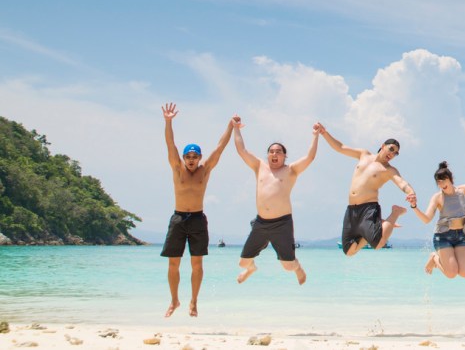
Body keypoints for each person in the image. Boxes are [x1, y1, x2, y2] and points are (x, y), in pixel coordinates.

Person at [160, 103, 234, 318]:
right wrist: (168, 121)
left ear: (200, 158)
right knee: (173, 263)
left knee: (197, 264)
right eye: (188, 157)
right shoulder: (177, 168)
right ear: (184, 158)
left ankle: (193, 301)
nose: (191, 160)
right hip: (178, 218)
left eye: (195, 156)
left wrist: (230, 126)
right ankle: (174, 300)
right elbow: (170, 144)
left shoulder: (205, 170)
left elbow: (220, 147)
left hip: (198, 219)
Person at [231, 116, 318, 285]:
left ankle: (298, 267)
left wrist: (315, 135)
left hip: (282, 224)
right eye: (271, 151)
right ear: (268, 155)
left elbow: (310, 157)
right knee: (243, 262)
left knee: (288, 266)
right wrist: (236, 128)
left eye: (278, 151)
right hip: (261, 222)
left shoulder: (291, 170)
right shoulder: (259, 166)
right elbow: (242, 150)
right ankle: (251, 269)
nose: (274, 154)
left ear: (285, 156)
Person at [314, 123, 416, 255]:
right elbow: (341, 147)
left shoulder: (388, 170)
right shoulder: (364, 154)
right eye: (391, 149)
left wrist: (411, 193)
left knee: (379, 243)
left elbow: (402, 183)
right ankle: (377, 226)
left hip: (368, 209)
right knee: (349, 251)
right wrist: (324, 133)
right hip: (351, 210)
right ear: (383, 146)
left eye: (395, 153)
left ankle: (395, 212)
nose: (392, 154)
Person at [412, 156, 465, 278]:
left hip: (460, 236)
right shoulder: (437, 197)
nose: (441, 184)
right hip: (443, 236)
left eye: (444, 180)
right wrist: (414, 206)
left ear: (450, 179)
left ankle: (437, 258)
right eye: (438, 182)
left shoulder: (462, 191)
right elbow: (426, 219)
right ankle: (434, 257)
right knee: (451, 274)